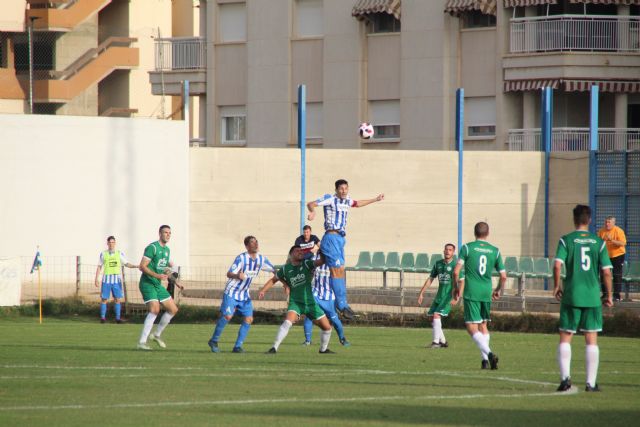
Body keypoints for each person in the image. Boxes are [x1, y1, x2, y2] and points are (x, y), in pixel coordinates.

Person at [554, 204, 613, 392]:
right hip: (592, 296)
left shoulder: (566, 240)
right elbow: (606, 272)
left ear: (574, 220)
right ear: (589, 220)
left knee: (566, 336)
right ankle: (591, 383)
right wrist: (609, 295)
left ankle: (565, 380)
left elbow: (557, 265)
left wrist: (557, 286)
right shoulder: (599, 242)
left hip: (571, 294)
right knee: (591, 338)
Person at [307, 179, 384, 319]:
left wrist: (375, 199)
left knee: (341, 270)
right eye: (341, 189)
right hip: (331, 237)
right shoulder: (330, 198)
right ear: (336, 190)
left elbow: (357, 203)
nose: (344, 191)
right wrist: (313, 212)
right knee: (336, 271)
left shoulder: (347, 200)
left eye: (346, 188)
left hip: (341, 239)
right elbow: (311, 204)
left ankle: (342, 303)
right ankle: (341, 305)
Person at [259, 246, 335, 354]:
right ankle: (274, 348)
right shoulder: (285, 269)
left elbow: (321, 261)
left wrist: (322, 251)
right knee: (287, 322)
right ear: (291, 254)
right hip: (296, 302)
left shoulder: (306, 264)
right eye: (297, 251)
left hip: (310, 303)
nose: (300, 252)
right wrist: (263, 290)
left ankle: (323, 350)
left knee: (327, 328)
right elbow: (273, 280)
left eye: (301, 251)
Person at [453, 222, 506, 370]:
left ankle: (489, 354)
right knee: (483, 325)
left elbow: (456, 272)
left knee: (471, 326)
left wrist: (455, 288)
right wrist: (498, 290)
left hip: (472, 292)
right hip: (486, 292)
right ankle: (485, 361)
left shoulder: (467, 248)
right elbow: (503, 276)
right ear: (487, 233)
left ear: (474, 232)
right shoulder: (495, 251)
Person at [207, 236, 274, 353]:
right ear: (247, 246)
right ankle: (214, 340)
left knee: (249, 319)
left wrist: (285, 283)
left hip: (244, 295)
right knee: (228, 316)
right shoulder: (241, 258)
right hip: (232, 292)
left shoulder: (261, 259)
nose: (255, 244)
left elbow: (275, 270)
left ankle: (237, 346)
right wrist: (237, 275)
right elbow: (229, 273)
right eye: (252, 242)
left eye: (256, 242)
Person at [137, 225, 181, 350]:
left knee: (173, 309)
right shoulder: (152, 248)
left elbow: (165, 270)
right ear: (160, 233)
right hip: (147, 283)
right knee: (154, 310)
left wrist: (176, 282)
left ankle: (156, 334)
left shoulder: (167, 250)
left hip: (157, 284)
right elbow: (142, 266)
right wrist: (157, 275)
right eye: (165, 232)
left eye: (169, 233)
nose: (168, 235)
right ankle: (141, 342)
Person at [301, 255, 350, 347]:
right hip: (315, 295)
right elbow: (307, 271)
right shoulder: (314, 259)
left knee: (335, 320)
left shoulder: (336, 261)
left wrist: (341, 299)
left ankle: (342, 339)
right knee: (309, 316)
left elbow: (341, 280)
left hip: (329, 297)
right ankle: (307, 341)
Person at [417, 243, 458, 349]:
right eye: (446, 249)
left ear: (453, 252)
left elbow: (462, 282)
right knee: (432, 318)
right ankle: (443, 341)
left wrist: (456, 296)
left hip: (448, 296)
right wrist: (421, 293)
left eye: (450, 250)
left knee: (436, 315)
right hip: (439, 296)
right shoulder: (438, 264)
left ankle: (436, 343)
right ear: (443, 251)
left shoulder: (456, 266)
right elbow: (430, 278)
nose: (448, 251)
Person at [94, 236, 139, 323]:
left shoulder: (119, 254)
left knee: (117, 299)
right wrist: (96, 279)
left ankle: (117, 318)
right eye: (110, 242)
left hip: (116, 280)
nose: (111, 244)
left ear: (115, 243)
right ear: (107, 243)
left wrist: (135, 266)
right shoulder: (103, 254)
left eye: (113, 242)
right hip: (106, 280)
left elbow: (126, 263)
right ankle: (102, 318)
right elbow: (99, 266)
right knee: (104, 299)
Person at [597, 216, 626, 301]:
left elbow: (623, 243)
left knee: (617, 275)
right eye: (606, 222)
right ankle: (605, 294)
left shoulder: (619, 231)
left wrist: (612, 240)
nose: (607, 224)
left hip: (618, 255)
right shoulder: (602, 231)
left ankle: (616, 296)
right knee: (603, 275)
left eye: (609, 222)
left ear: (613, 223)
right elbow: (598, 242)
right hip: (606, 256)